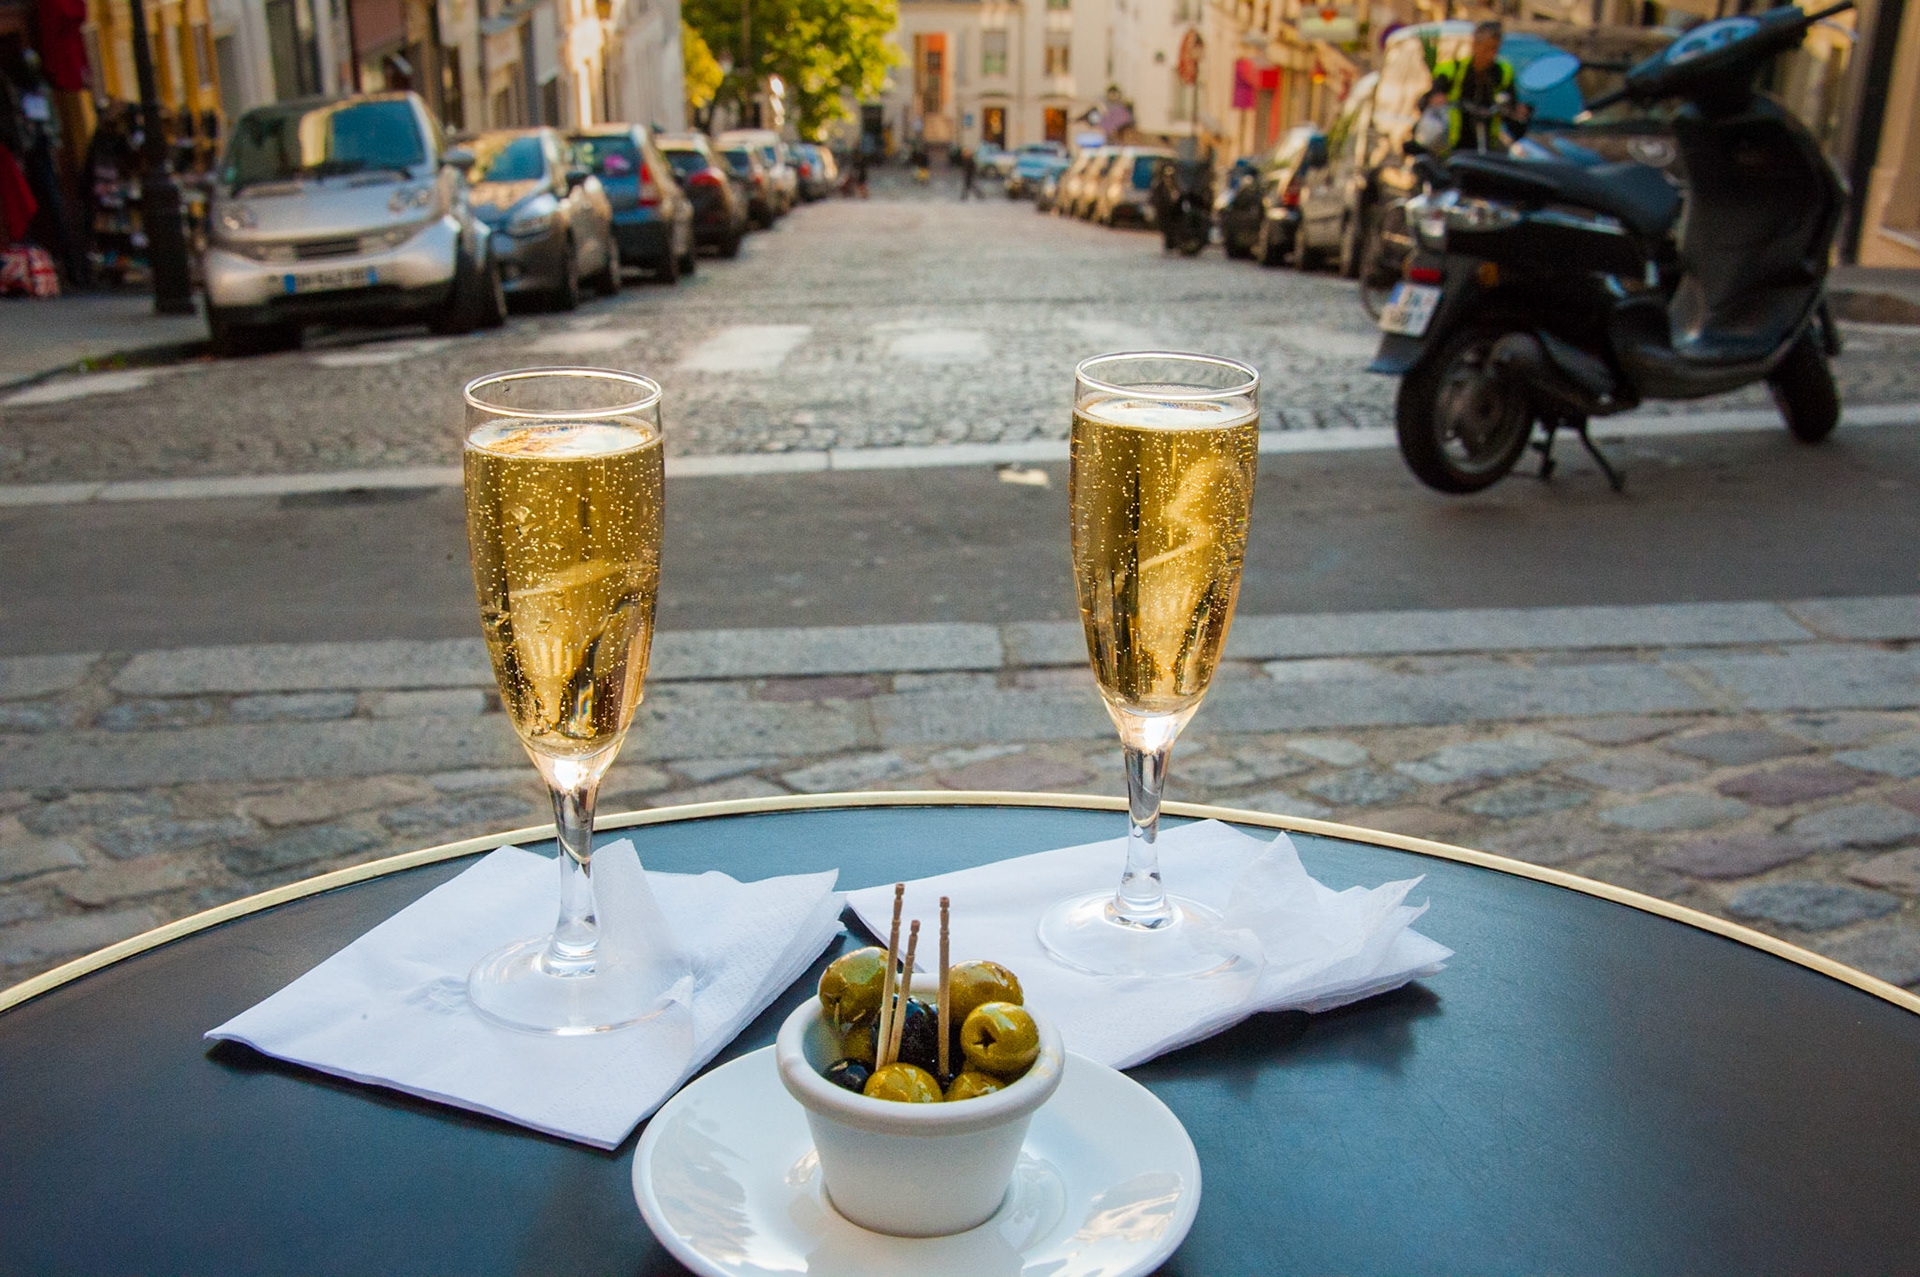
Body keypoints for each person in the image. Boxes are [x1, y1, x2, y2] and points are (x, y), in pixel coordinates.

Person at [1424, 20, 1531, 153]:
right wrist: (1438, 96)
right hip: (1454, 146)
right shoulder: (1455, 69)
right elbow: (1434, 92)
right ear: (1474, 45)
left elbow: (1511, 109)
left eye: (1494, 49)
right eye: (1486, 48)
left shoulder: (1503, 72)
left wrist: (1518, 113)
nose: (1490, 55)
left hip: (1488, 147)